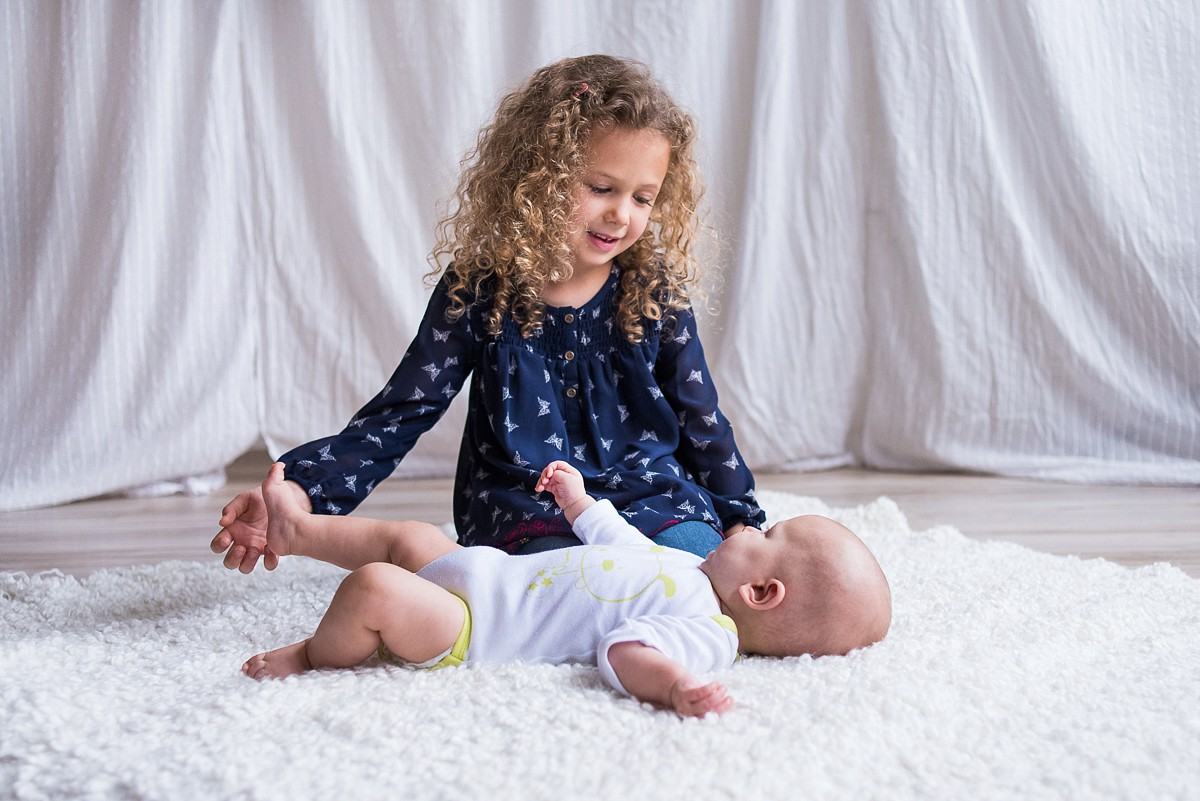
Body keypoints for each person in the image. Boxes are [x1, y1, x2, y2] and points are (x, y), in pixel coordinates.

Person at [211, 54, 765, 572]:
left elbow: (700, 415)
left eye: (643, 198)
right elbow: (402, 411)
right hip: (526, 505)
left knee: (699, 576)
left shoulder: (654, 292)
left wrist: (739, 515)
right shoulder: (480, 289)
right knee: (564, 590)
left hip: (650, 493)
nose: (621, 215)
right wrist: (304, 487)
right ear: (538, 177)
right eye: (601, 188)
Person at [242, 461, 892, 718]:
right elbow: (617, 541)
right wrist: (579, 502)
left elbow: (624, 646)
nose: (749, 522)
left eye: (767, 531)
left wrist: (670, 684)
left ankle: (311, 655)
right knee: (410, 537)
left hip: (473, 626)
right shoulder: (688, 569)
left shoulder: (710, 633)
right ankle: (296, 529)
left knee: (377, 587)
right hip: (485, 570)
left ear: (761, 592)